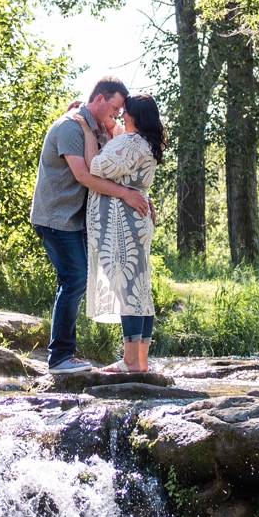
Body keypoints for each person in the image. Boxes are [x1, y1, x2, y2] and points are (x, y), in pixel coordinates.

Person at [28, 76, 153, 371]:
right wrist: (127, 194)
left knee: (77, 280)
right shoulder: (72, 126)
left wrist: (142, 196)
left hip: (75, 219)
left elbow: (122, 164)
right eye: (115, 108)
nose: (119, 115)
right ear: (99, 100)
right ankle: (59, 357)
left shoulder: (97, 127)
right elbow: (86, 175)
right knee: (74, 279)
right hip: (56, 217)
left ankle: (70, 354)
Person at [71, 93, 166, 373]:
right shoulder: (149, 142)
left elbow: (95, 165)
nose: (121, 116)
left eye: (125, 112)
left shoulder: (130, 142)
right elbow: (121, 146)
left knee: (127, 288)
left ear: (135, 116)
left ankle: (130, 362)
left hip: (121, 220)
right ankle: (141, 361)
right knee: (140, 287)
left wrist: (87, 130)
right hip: (139, 218)